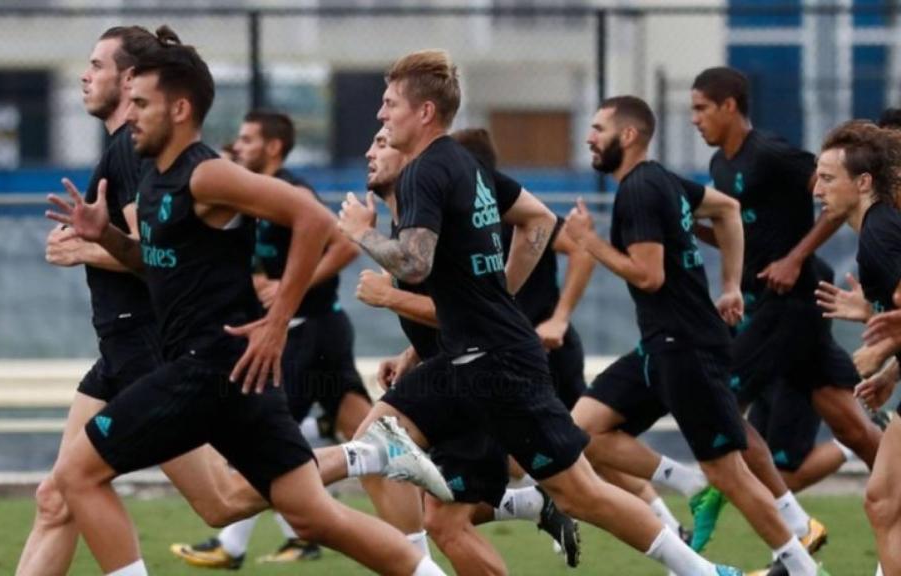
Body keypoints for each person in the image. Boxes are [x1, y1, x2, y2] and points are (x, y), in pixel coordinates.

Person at [45, 27, 447, 576]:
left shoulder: (206, 173)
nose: (130, 114)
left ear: (180, 108)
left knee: (76, 474)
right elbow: (157, 264)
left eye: (141, 103)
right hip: (236, 377)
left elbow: (310, 217)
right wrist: (106, 237)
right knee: (309, 516)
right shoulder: (158, 181)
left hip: (203, 369)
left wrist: (278, 320)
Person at [337, 49, 743, 576]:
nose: (380, 117)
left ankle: (705, 572)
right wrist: (491, 295)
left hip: (498, 362)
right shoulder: (464, 164)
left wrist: (360, 234)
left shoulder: (427, 173)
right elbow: (538, 219)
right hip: (471, 357)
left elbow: (414, 263)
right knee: (384, 450)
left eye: (389, 104)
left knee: (581, 494)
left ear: (425, 112)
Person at [565, 95, 825, 576]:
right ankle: (687, 483)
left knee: (730, 472)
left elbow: (649, 276)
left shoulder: (640, 190)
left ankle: (804, 568)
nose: (588, 137)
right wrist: (730, 285)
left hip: (685, 348)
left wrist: (590, 241)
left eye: (598, 128)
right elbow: (727, 209)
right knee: (580, 431)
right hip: (658, 346)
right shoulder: (662, 179)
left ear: (628, 136)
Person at [18, 26, 246, 576]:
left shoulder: (132, 150)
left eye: (96, 65)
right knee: (56, 498)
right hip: (119, 351)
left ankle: (366, 457)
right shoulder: (127, 150)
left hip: (147, 348)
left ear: (127, 80)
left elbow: (159, 258)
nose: (84, 75)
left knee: (221, 501)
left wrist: (85, 249)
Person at [171, 110, 427, 568]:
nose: (239, 146)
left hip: (311, 333)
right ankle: (414, 544)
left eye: (248, 139)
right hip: (320, 332)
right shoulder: (251, 197)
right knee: (368, 437)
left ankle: (232, 543)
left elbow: (346, 244)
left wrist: (295, 285)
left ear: (273, 147)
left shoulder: (293, 191)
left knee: (264, 437)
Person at [356, 126, 584, 573]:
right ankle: (535, 505)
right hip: (462, 364)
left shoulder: (452, 214)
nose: (372, 150)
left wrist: (556, 316)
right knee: (442, 504)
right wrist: (411, 353)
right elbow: (458, 310)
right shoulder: (412, 221)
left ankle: (693, 559)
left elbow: (467, 309)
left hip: (490, 364)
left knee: (429, 499)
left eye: (384, 141)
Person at [689, 68, 882, 561]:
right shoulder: (718, 165)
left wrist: (795, 257)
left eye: (701, 108)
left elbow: (835, 197)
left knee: (720, 402)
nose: (695, 119)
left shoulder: (773, 154)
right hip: (773, 303)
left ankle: (789, 522)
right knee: (853, 426)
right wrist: (690, 229)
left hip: (790, 303)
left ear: (730, 105)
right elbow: (741, 234)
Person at [811, 120, 901, 576]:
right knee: (882, 502)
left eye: (827, 179)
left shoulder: (879, 236)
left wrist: (882, 348)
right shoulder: (880, 229)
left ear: (863, 183)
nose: (816, 190)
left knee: (884, 503)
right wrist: (890, 367)